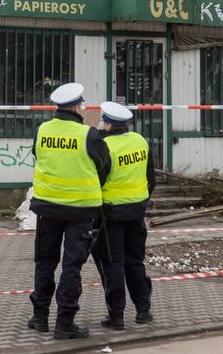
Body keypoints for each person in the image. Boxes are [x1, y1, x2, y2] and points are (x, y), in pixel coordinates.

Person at [28, 82, 111, 340]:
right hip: (81, 211)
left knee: (45, 262)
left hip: (48, 208)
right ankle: (64, 323)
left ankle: (40, 317)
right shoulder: (88, 135)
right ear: (76, 107)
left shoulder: (42, 130)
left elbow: (37, 155)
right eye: (82, 105)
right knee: (71, 267)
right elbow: (104, 166)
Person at [93, 100, 155, 330]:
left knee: (113, 263)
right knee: (135, 262)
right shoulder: (140, 141)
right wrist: (140, 201)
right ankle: (143, 310)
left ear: (108, 123)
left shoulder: (105, 145)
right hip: (136, 212)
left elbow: (97, 181)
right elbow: (151, 179)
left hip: (110, 215)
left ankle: (116, 315)